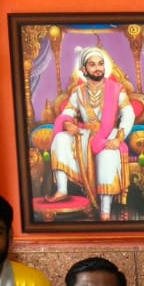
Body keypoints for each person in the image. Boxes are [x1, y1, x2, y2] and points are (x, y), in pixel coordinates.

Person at [48, 47, 135, 221]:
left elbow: (129, 114)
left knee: (107, 155)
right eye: (93, 65)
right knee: (60, 138)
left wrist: (118, 139)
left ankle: (105, 210)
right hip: (86, 133)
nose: (98, 68)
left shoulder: (117, 90)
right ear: (84, 69)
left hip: (109, 134)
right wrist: (67, 123)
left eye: (100, 64)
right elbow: (68, 112)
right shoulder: (78, 92)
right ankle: (62, 190)